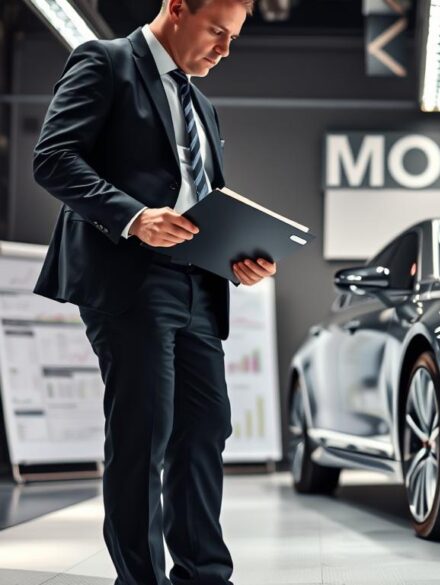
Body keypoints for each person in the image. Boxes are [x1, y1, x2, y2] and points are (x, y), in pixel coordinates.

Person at [32, 1, 273, 583]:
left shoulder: (203, 106)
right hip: (128, 278)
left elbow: (204, 197)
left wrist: (239, 255)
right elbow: (54, 158)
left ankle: (205, 576)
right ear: (177, 7)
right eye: (217, 31)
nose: (224, 49)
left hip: (199, 280)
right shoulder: (105, 62)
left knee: (206, 427)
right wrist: (134, 216)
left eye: (233, 37)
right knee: (144, 432)